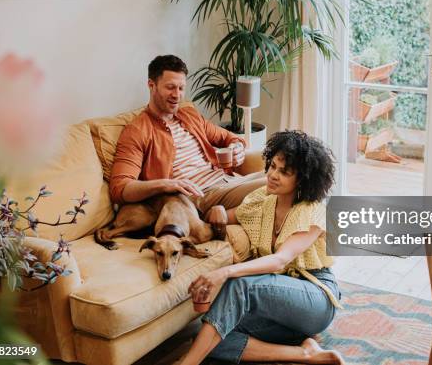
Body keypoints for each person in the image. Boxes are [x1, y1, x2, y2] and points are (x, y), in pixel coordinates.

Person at [180, 130, 344, 365]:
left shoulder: (313, 210)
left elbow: (280, 260)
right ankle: (305, 353)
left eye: (284, 172)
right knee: (210, 335)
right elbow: (226, 216)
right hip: (279, 305)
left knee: (239, 286)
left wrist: (224, 272)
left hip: (315, 298)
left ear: (302, 179)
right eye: (273, 166)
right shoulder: (262, 201)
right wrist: (215, 212)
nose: (273, 175)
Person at [109, 54, 266, 214]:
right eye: (170, 87)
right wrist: (166, 184)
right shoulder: (137, 131)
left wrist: (237, 147)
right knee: (276, 184)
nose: (177, 95)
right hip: (199, 196)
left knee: (281, 174)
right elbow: (120, 188)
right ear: (151, 85)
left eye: (181, 88)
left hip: (227, 181)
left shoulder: (189, 115)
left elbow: (228, 137)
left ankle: (232, 217)